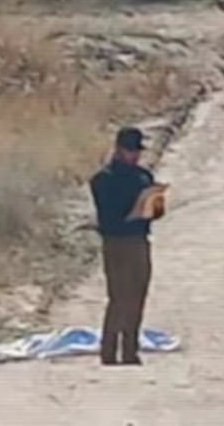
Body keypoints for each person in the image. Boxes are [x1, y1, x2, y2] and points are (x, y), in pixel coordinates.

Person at [89, 126, 162, 366]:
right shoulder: (104, 179)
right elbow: (107, 214)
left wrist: (154, 203)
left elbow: (157, 212)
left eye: (137, 151)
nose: (135, 156)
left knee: (138, 295)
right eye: (130, 150)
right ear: (119, 150)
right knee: (119, 297)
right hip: (116, 242)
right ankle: (109, 351)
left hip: (139, 240)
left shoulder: (143, 177)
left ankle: (130, 350)